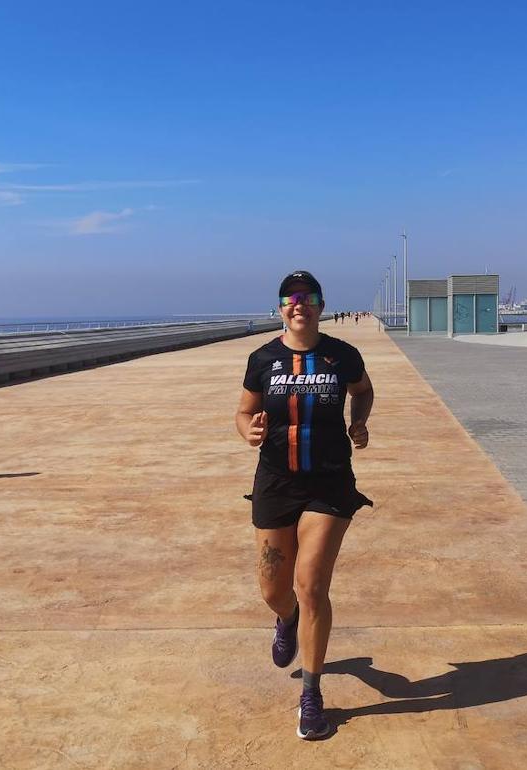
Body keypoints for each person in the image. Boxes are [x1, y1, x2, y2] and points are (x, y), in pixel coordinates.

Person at [236, 270, 375, 740]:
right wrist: (247, 430)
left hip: (329, 484)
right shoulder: (263, 359)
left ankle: (311, 695)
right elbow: (241, 410)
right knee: (274, 590)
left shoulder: (343, 356)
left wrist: (359, 423)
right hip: (276, 481)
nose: (300, 305)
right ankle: (286, 619)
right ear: (281, 308)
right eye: (291, 299)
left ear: (320, 305)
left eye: (309, 297)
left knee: (311, 585)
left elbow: (363, 390)